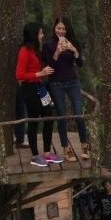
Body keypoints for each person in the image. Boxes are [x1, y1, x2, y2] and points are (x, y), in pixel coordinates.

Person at [15, 22, 63, 167]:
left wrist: (56, 53)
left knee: (48, 118)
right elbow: (19, 74)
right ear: (34, 35)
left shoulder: (35, 50)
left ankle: (47, 153)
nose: (42, 36)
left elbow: (45, 65)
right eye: (40, 33)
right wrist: (39, 73)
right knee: (34, 121)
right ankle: (35, 155)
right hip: (29, 90)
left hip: (40, 88)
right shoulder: (24, 51)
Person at [42, 17, 88, 162]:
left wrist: (74, 50)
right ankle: (66, 148)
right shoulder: (48, 45)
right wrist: (56, 52)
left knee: (79, 113)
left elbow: (80, 64)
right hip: (56, 84)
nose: (60, 31)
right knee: (62, 116)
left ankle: (84, 145)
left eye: (63, 29)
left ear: (67, 30)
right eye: (58, 28)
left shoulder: (72, 42)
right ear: (54, 28)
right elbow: (49, 66)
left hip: (73, 82)